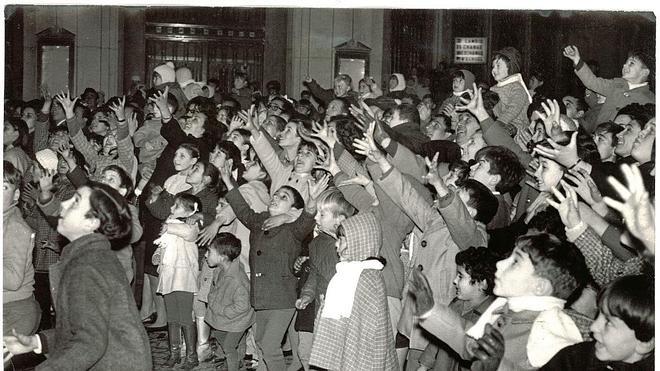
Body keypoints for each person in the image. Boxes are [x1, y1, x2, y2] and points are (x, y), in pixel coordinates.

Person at [3, 182, 152, 370]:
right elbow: (83, 328)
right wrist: (37, 342)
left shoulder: (87, 266)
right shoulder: (91, 257)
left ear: (91, 222)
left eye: (75, 202)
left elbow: (89, 343)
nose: (63, 204)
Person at [412, 233, 590, 369]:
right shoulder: (504, 308)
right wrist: (431, 312)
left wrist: (498, 366)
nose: (500, 264)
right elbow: (470, 344)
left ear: (539, 287)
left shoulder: (553, 334)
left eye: (515, 262)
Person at [224, 177, 315, 371]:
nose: (276, 198)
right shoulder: (260, 221)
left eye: (284, 197)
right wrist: (226, 179)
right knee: (260, 342)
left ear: (292, 209)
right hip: (261, 297)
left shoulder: (294, 229)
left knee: (269, 345)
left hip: (283, 298)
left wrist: (310, 201)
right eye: (275, 194)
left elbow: (307, 218)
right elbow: (242, 211)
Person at [309, 212, 398, 371]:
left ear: (359, 242)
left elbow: (367, 333)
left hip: (361, 359)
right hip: (347, 352)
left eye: (342, 240)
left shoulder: (366, 279)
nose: (336, 245)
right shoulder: (351, 272)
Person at [542, 274, 654, 370]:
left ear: (645, 343)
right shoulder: (576, 357)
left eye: (609, 322)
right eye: (598, 315)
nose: (593, 327)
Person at [417, 246, 499, 371]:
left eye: (460, 276)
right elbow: (437, 338)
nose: (455, 281)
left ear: (482, 283)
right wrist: (424, 365)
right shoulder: (456, 305)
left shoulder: (489, 317)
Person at [152, 193, 203, 369]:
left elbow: (189, 234)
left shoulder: (191, 225)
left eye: (177, 206)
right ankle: (174, 352)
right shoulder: (170, 226)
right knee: (172, 317)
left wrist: (169, 226)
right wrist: (158, 255)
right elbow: (163, 246)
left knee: (185, 318)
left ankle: (191, 356)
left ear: (190, 211)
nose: (172, 209)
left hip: (183, 278)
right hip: (168, 277)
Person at [563, 46, 655, 126]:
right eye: (625, 63)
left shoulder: (650, 100)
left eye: (631, 63)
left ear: (645, 72)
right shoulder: (616, 84)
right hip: (599, 134)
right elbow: (592, 82)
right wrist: (576, 60)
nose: (624, 65)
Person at [204, 232, 256, 371]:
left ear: (222, 257)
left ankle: (233, 365)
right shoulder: (221, 270)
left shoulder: (237, 280)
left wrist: (222, 310)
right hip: (226, 317)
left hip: (238, 319)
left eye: (209, 252)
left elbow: (242, 306)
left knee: (228, 347)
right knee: (222, 337)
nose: (205, 255)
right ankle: (239, 359)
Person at [3, 161, 40, 337]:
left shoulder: (16, 227)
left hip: (14, 311)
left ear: (16, 195)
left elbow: (13, 280)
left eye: (3, 187)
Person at [490, 47, 532, 135]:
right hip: (496, 123)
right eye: (493, 66)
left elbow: (514, 108)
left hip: (516, 126)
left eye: (498, 66)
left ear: (511, 67)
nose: (493, 70)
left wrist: (500, 122)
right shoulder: (494, 88)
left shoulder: (517, 88)